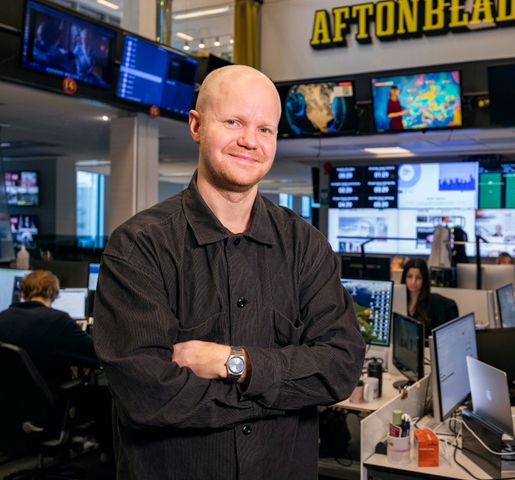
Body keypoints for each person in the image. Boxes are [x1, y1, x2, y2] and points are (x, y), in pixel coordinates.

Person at [93, 66, 365, 479]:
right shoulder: (138, 247)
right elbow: (150, 397)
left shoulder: (306, 245)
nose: (249, 141)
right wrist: (283, 389)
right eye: (233, 122)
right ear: (196, 125)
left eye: (265, 129)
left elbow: (341, 367)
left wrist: (235, 363)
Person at [0, 270, 98, 390]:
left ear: (23, 292)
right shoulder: (59, 320)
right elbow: (96, 354)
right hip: (46, 401)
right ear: (54, 293)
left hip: (6, 400)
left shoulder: (3, 317)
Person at [401, 258, 458, 336]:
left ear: (424, 280)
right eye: (409, 277)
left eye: (418, 278)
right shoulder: (399, 301)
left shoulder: (434, 304)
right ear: (404, 278)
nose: (413, 282)